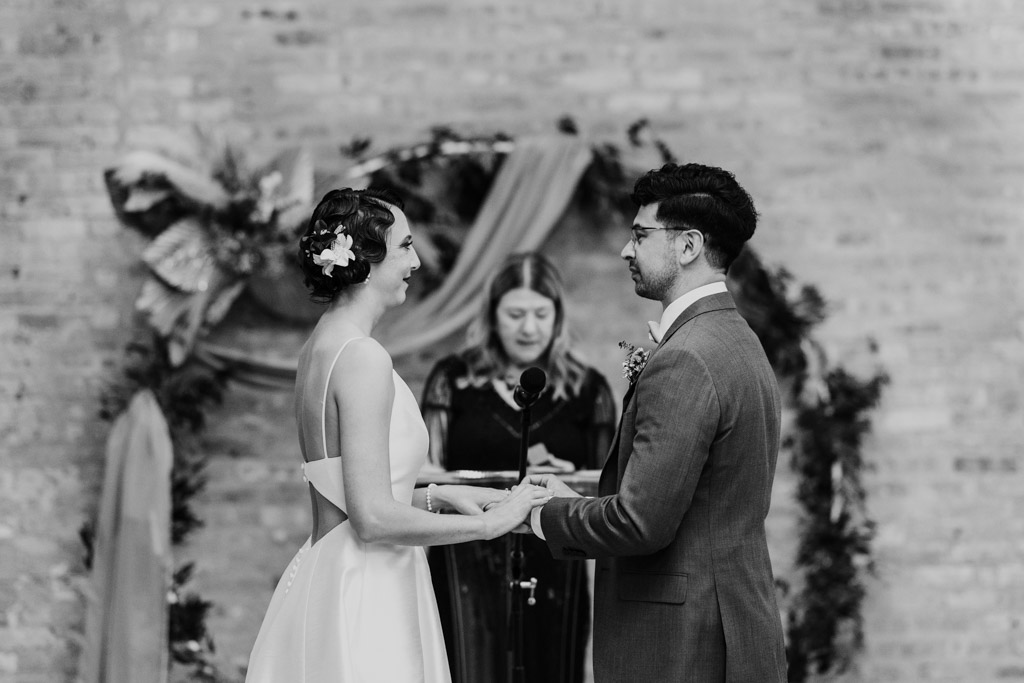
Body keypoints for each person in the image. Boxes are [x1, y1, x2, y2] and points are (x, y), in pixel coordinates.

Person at [245, 188, 552, 683]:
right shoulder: (364, 358)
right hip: (369, 590)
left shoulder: (320, 347)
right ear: (366, 259)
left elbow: (346, 497)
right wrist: (489, 527)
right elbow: (370, 518)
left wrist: (441, 494)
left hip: (331, 572)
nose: (416, 260)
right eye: (405, 246)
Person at [528, 163, 788, 682]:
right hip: (732, 622)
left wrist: (543, 512)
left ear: (688, 245)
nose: (627, 250)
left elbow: (640, 522)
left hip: (681, 644)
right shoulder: (738, 339)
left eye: (641, 235)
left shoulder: (686, 358)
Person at [421, 252, 616, 683]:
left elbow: (611, 494)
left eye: (540, 314)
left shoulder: (589, 389)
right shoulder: (451, 379)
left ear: (557, 317)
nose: (529, 328)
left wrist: (573, 480)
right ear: (492, 316)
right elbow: (425, 473)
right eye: (515, 314)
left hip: (553, 563)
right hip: (464, 555)